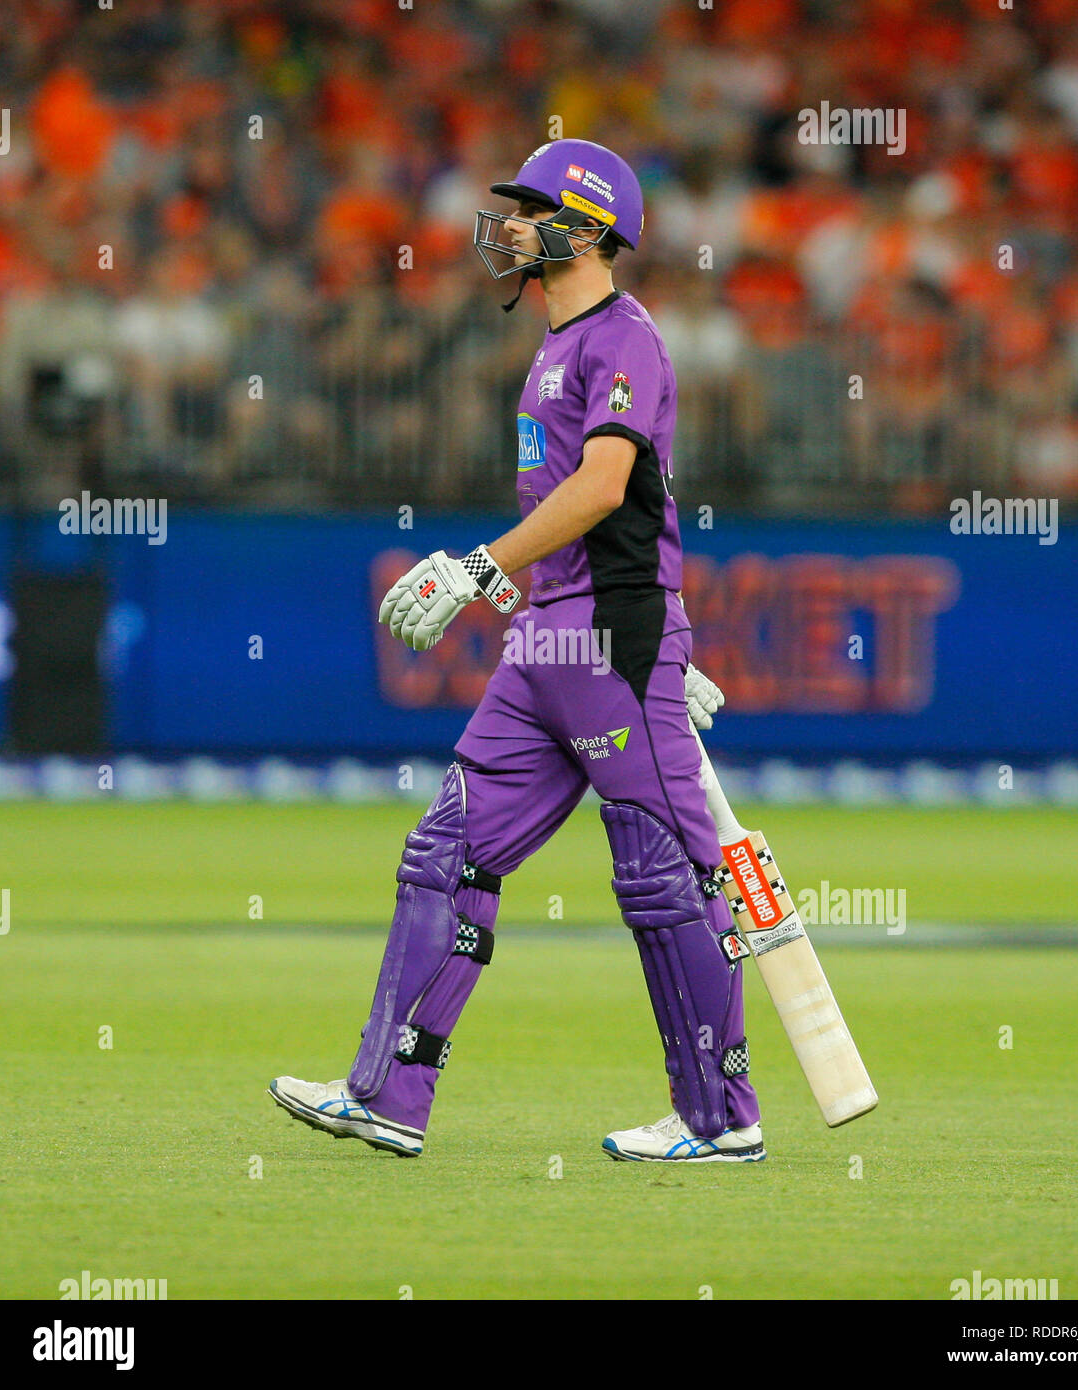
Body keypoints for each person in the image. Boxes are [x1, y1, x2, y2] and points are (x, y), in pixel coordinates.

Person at [269, 139, 765, 1163]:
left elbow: (605, 487)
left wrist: (492, 571)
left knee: (665, 877)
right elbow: (589, 514)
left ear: (588, 229)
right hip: (553, 639)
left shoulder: (626, 338)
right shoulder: (554, 342)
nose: (513, 225)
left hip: (610, 644)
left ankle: (722, 1119)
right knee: (446, 852)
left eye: (534, 208)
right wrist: (514, 584)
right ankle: (387, 1094)